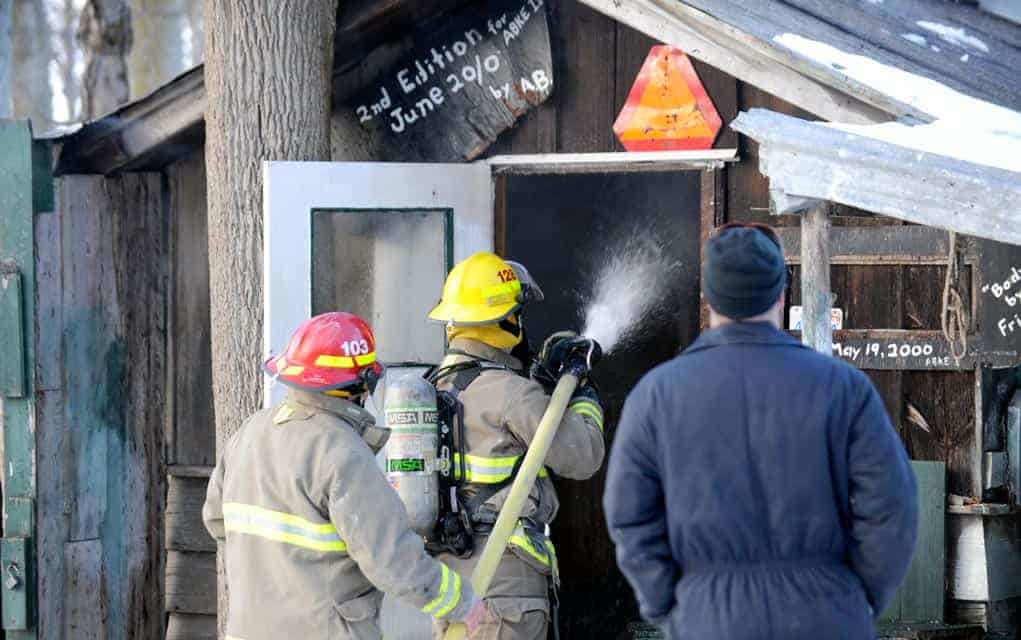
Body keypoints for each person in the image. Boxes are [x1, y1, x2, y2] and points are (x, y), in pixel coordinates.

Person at [603, 224, 918, 640]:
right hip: (826, 614)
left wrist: (670, 604)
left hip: (710, 619)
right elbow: (891, 504)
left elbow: (629, 514)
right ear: (781, 295)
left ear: (710, 297)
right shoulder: (843, 387)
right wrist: (856, 596)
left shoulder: (656, 395)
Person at [203, 312, 485, 640]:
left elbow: (215, 521)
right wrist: (462, 602)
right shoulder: (341, 451)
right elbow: (393, 560)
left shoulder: (249, 433)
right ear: (359, 385)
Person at [426, 252, 606, 640]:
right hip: (505, 588)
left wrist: (540, 376)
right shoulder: (511, 394)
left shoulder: (436, 387)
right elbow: (583, 456)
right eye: (518, 316)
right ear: (505, 321)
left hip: (454, 584)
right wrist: (584, 396)